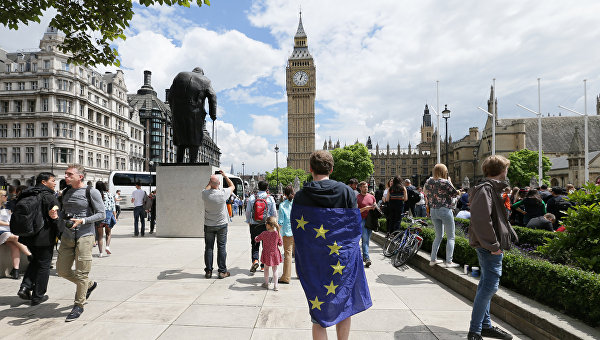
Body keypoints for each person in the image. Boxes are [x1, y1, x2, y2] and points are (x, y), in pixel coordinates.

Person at [291, 150, 371, 340]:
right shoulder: (346, 191)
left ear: (310, 169)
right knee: (344, 304)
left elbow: (298, 232)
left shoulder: (302, 195)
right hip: (341, 260)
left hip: (315, 262)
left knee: (317, 314)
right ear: (332, 169)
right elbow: (353, 228)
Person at [467, 155, 516, 340]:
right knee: (489, 287)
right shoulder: (486, 189)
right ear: (501, 171)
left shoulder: (492, 189)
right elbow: (481, 220)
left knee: (485, 285)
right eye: (506, 168)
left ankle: (485, 326)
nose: (507, 172)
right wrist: (494, 245)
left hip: (491, 245)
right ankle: (475, 331)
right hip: (489, 246)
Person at [57, 164, 105, 322]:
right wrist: (56, 214)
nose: (66, 177)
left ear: (80, 177)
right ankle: (89, 284)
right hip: (67, 235)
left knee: (81, 272)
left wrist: (83, 220)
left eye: (70, 174)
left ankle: (79, 305)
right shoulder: (66, 192)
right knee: (62, 270)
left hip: (85, 235)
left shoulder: (91, 191)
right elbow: (64, 213)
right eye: (66, 174)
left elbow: (101, 214)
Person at [18, 172, 60, 305]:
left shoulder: (28, 193)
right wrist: (62, 234)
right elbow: (55, 218)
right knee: (44, 265)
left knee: (36, 260)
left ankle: (25, 286)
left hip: (27, 235)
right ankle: (38, 295)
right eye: (52, 180)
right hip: (44, 236)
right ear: (43, 182)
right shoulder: (49, 197)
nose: (55, 183)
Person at [424, 164, 459, 268]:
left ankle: (433, 259)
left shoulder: (429, 181)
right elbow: (454, 193)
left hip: (433, 210)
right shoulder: (445, 182)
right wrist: (450, 182)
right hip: (445, 209)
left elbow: (425, 192)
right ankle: (449, 261)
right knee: (451, 237)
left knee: (438, 236)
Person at [201, 170, 233, 279]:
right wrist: (224, 175)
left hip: (209, 224)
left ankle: (209, 271)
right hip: (222, 224)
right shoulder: (223, 193)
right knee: (221, 247)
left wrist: (210, 182)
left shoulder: (205, 194)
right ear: (219, 184)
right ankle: (222, 271)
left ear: (210, 183)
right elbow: (232, 186)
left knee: (209, 248)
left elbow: (206, 189)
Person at [0, 190, 33, 280]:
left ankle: (15, 270)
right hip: (1, 231)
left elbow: (12, 217)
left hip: (8, 231)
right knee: (16, 238)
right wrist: (9, 224)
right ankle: (31, 256)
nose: (7, 197)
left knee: (15, 246)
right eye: (5, 195)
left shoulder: (8, 205)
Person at [245, 180, 277, 273]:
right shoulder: (270, 198)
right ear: (267, 188)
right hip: (266, 224)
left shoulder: (252, 197)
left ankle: (255, 260)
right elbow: (274, 212)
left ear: (258, 187)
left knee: (255, 243)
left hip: (254, 224)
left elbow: (248, 211)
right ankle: (263, 265)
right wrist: (273, 223)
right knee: (265, 245)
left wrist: (248, 221)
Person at [255, 216, 283, 291]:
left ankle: (266, 284)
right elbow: (280, 244)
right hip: (275, 254)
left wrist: (256, 237)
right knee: (275, 270)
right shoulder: (277, 234)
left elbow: (257, 239)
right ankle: (276, 286)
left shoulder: (264, 233)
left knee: (266, 269)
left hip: (266, 254)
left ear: (268, 225)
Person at [277, 185, 295, 284]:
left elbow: (280, 221)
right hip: (298, 231)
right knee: (299, 255)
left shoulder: (282, 205)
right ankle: (300, 274)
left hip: (287, 232)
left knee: (288, 255)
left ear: (284, 194)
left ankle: (286, 277)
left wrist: (276, 232)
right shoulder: (297, 204)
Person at [357, 181, 376, 268]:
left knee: (367, 239)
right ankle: (367, 257)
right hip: (362, 220)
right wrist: (365, 208)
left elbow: (375, 206)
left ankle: (365, 256)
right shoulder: (357, 197)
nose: (366, 188)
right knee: (365, 239)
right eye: (364, 187)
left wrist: (375, 207)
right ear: (360, 188)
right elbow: (356, 211)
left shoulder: (372, 197)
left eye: (366, 187)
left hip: (371, 220)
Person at [95, 182, 115, 257]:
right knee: (108, 233)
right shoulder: (110, 195)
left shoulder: (97, 195)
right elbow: (113, 207)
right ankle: (107, 247)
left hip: (99, 215)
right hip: (108, 215)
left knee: (100, 236)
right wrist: (115, 216)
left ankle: (100, 253)